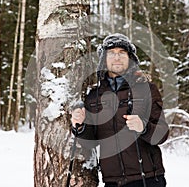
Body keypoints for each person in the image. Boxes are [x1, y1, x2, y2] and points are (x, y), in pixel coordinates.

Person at [71, 33, 169, 187]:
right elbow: (90, 143)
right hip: (113, 181)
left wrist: (143, 127)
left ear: (130, 58)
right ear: (104, 59)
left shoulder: (146, 89)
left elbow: (162, 134)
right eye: (111, 53)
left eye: (122, 53)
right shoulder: (93, 96)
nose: (117, 57)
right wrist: (80, 126)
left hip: (148, 179)